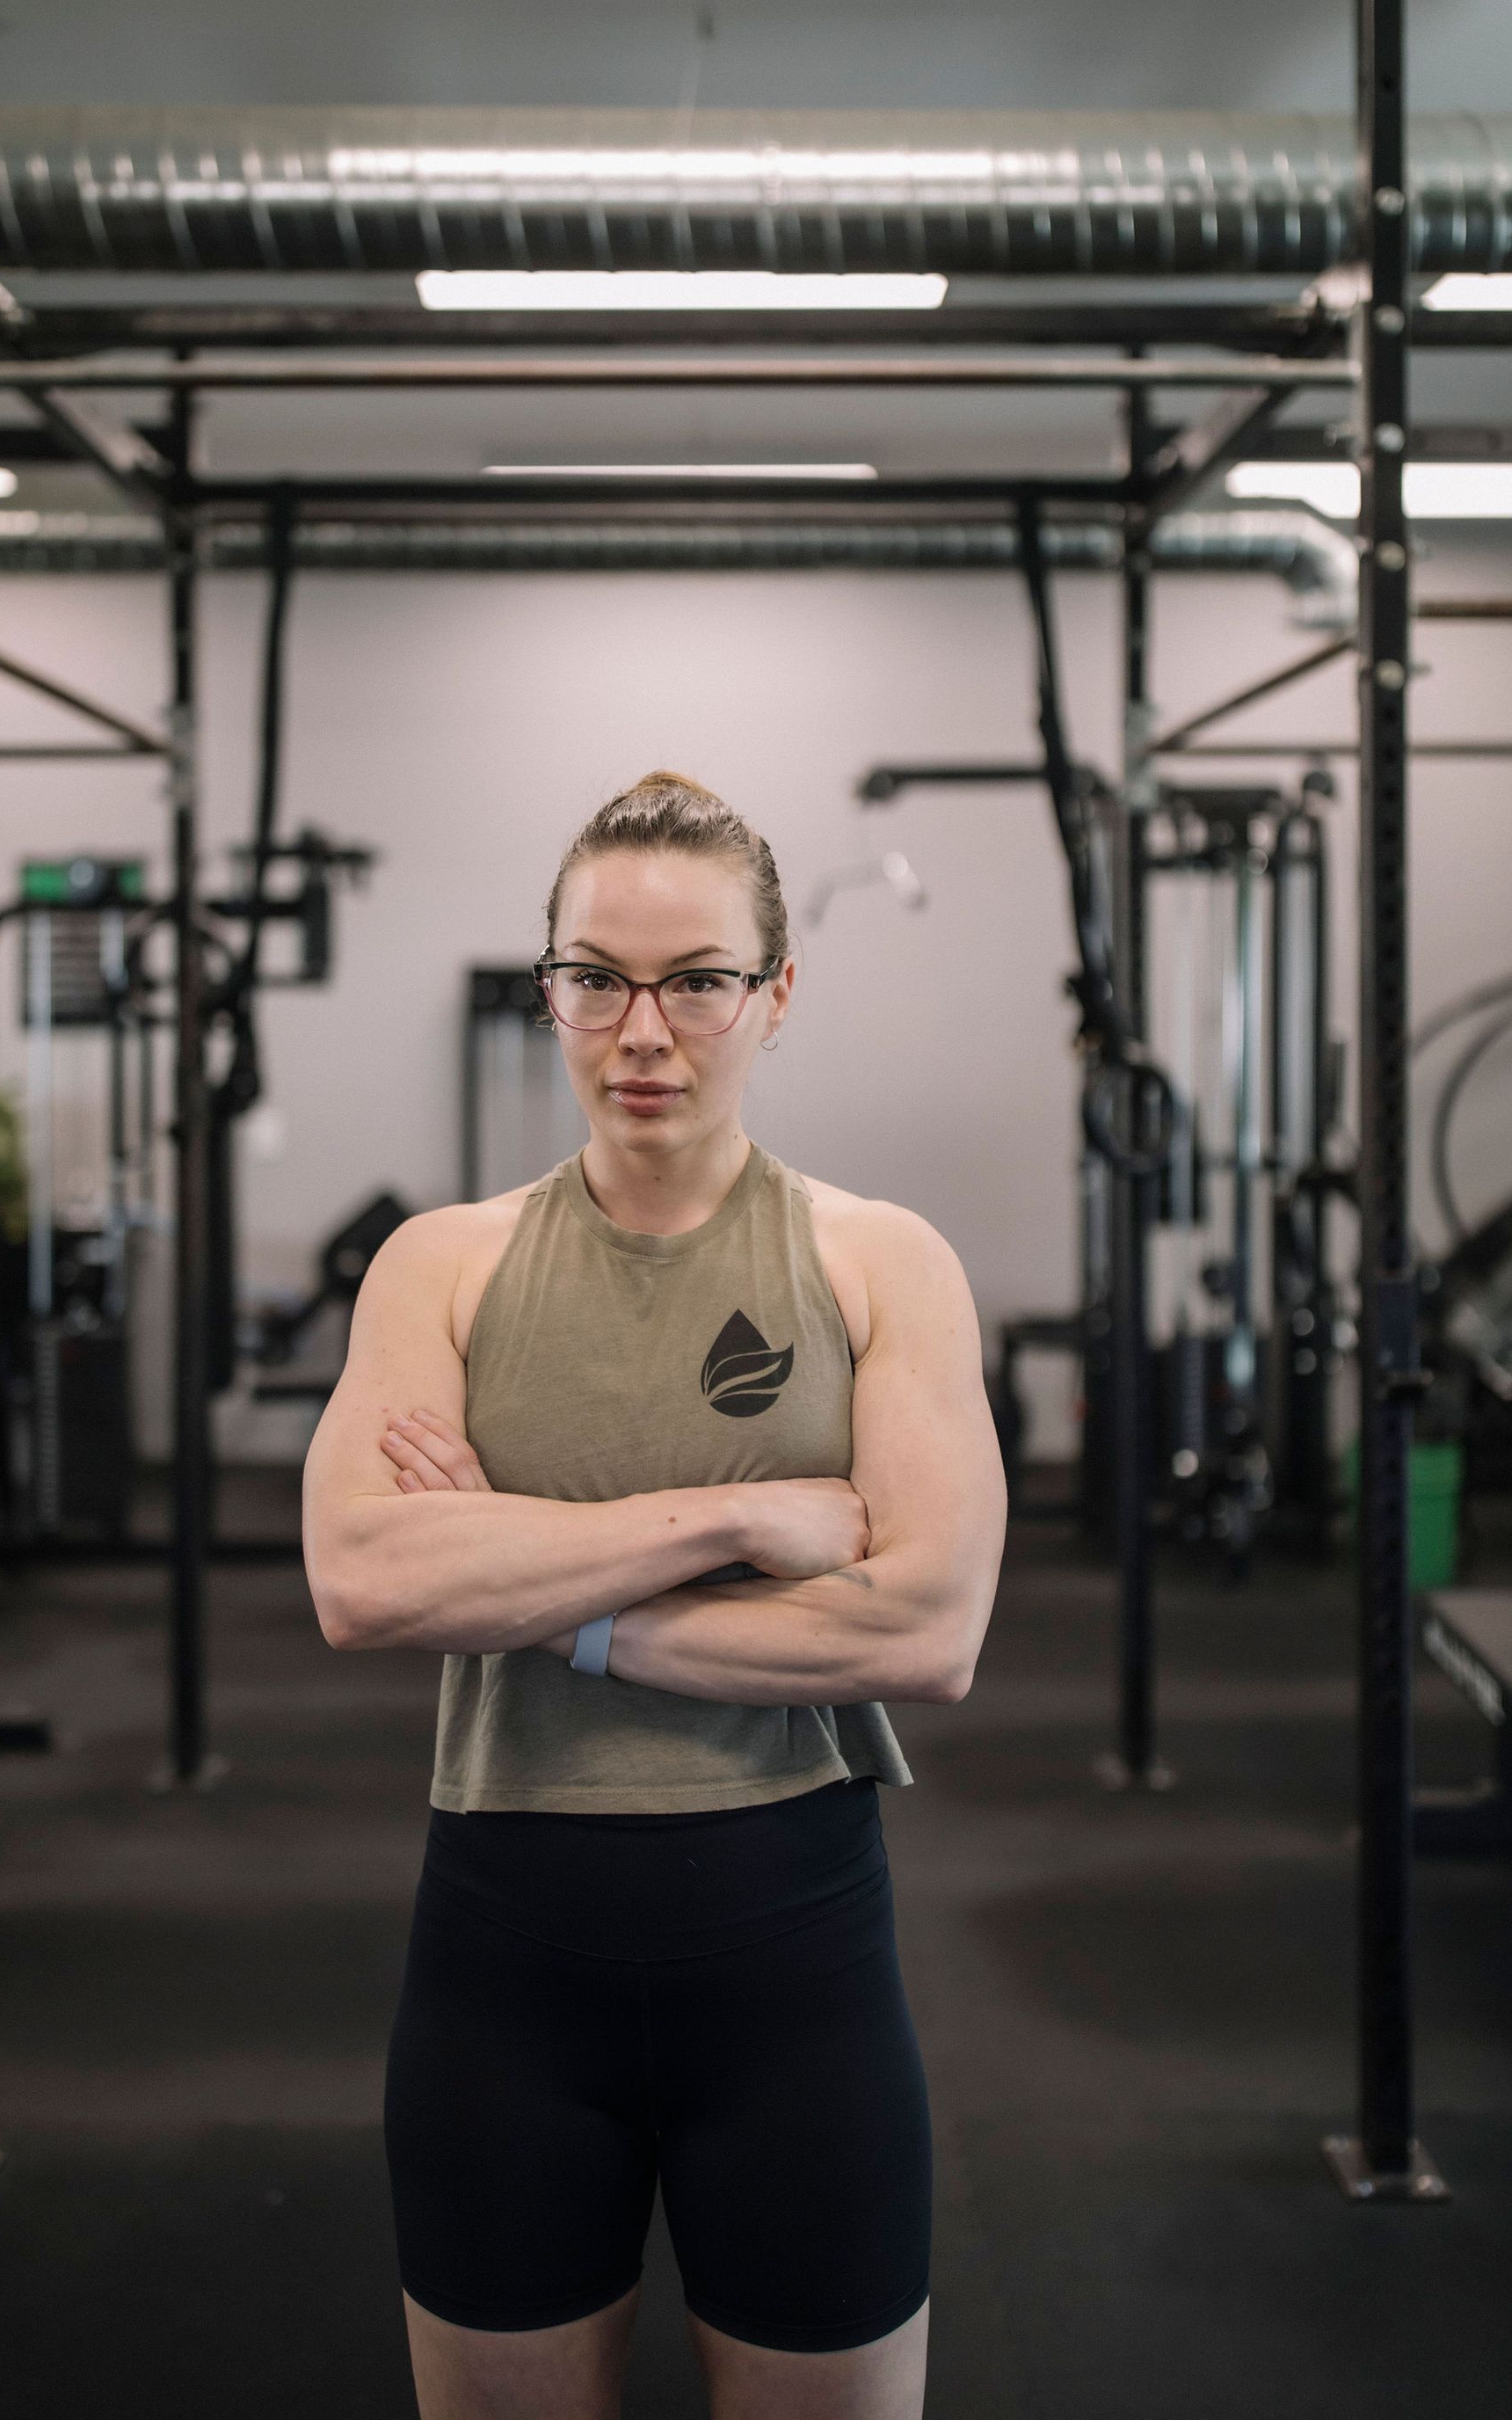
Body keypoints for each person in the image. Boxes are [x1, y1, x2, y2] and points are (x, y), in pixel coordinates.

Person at [303, 770, 1005, 2420]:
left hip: (796, 1960)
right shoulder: (443, 1266)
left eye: (695, 982)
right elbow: (364, 1579)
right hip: (501, 1962)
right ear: (550, 984)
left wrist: (539, 1591)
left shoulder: (878, 1261)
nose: (641, 1031)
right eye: (594, 979)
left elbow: (925, 1629)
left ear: (776, 992)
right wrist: (737, 1517)